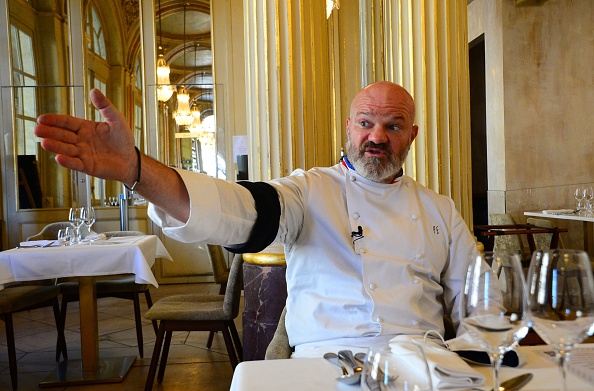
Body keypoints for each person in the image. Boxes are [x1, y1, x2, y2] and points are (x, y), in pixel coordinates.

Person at [35, 81, 480, 358]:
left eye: (393, 126)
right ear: (348, 127)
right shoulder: (311, 190)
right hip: (325, 367)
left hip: (423, 367)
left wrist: (472, 360)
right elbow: (242, 210)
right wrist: (137, 171)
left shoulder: (440, 209)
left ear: (413, 135)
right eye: (366, 123)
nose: (376, 137)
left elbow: (481, 305)